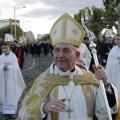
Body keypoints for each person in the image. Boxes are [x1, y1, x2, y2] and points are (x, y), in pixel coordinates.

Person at [17, 13, 118, 120]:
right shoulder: (43, 81)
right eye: (57, 50)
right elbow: (26, 112)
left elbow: (105, 112)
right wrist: (44, 109)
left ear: (77, 55)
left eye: (66, 50)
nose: (60, 55)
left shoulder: (90, 79)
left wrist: (106, 84)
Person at [0, 42, 26, 119]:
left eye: (6, 48)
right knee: (4, 94)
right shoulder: (1, 57)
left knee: (11, 93)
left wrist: (10, 67)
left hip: (11, 79)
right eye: (3, 48)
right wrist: (2, 67)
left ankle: (11, 112)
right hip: (3, 80)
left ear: (9, 48)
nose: (4, 49)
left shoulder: (13, 56)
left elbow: (16, 67)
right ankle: (4, 111)